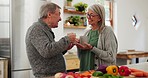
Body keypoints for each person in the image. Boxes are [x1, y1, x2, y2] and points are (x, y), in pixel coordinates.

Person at [25, 2, 76, 78]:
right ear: (49, 14)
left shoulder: (43, 29)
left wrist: (65, 47)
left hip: (54, 75)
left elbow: (51, 52)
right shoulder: (36, 29)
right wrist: (67, 39)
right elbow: (47, 51)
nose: (60, 18)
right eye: (58, 14)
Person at [75, 4, 118, 72]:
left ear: (100, 18)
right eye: (87, 14)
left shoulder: (107, 31)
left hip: (100, 73)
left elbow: (111, 57)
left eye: (91, 15)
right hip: (85, 71)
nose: (88, 17)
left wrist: (92, 48)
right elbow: (82, 57)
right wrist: (78, 46)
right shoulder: (87, 32)